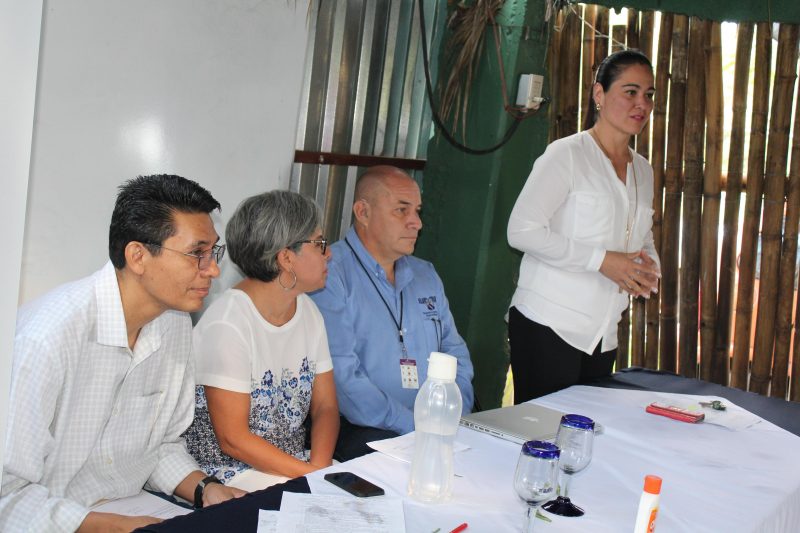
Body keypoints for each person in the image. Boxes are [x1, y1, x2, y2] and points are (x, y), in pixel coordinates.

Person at [1, 175, 244, 532]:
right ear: (138, 256)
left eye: (213, 252)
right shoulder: (47, 340)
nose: (213, 269)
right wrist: (109, 526)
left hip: (133, 507)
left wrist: (206, 487)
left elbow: (161, 446)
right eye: (197, 253)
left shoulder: (175, 322)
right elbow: (7, 495)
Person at [507, 49, 661, 404]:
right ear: (599, 95)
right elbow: (521, 231)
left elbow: (642, 232)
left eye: (649, 95)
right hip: (548, 324)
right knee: (542, 438)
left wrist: (648, 263)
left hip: (603, 332)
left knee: (583, 439)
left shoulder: (643, 170)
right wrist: (602, 260)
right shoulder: (566, 155)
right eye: (631, 91)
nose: (642, 104)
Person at [311, 165, 474, 461]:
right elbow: (342, 376)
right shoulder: (330, 275)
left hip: (437, 428)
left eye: (417, 211)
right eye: (401, 210)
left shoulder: (426, 275)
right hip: (364, 430)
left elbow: (455, 352)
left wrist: (452, 410)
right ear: (363, 212)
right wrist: (413, 425)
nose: (416, 223)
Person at [184, 190, 339, 491]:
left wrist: (319, 467)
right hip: (228, 474)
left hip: (295, 465)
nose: (329, 252)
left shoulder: (308, 310)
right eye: (319, 243)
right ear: (286, 257)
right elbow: (233, 440)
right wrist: (311, 476)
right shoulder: (228, 323)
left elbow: (326, 407)